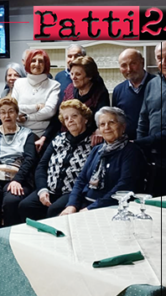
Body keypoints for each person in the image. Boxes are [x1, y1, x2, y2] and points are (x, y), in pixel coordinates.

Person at [61, 107, 146, 214]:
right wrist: (72, 205)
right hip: (86, 203)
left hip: (112, 207)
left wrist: (91, 209)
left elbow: (124, 186)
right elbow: (81, 179)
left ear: (123, 127)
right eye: (102, 124)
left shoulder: (132, 151)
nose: (107, 128)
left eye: (111, 123)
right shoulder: (97, 149)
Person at [18, 100, 93, 220]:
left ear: (85, 119)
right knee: (26, 205)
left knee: (54, 210)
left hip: (73, 193)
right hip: (50, 189)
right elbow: (41, 166)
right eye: (66, 118)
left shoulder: (92, 143)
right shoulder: (58, 139)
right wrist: (42, 190)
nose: (70, 120)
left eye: (74, 116)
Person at [0, 97, 37, 231]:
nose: (7, 115)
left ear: (16, 113)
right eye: (3, 112)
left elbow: (30, 159)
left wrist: (17, 180)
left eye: (10, 111)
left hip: (17, 179)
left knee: (12, 201)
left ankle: (10, 240)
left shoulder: (27, 134)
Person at [41, 56, 109, 149]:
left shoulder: (100, 92)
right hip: (64, 136)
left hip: (87, 140)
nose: (73, 78)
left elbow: (103, 118)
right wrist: (45, 136)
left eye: (78, 74)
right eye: (72, 74)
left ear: (89, 76)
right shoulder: (69, 88)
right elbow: (58, 116)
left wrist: (99, 129)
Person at [136, 41, 166, 198]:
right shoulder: (152, 83)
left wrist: (143, 142)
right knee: (154, 203)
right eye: (160, 58)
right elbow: (143, 119)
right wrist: (141, 147)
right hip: (154, 157)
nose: (164, 62)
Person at [11, 49, 60, 141]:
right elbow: (13, 108)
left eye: (41, 61)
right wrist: (36, 107)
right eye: (33, 60)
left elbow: (49, 111)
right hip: (18, 133)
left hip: (41, 136)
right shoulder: (18, 83)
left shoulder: (54, 85)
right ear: (28, 62)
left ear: (46, 64)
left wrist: (27, 117)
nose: (37, 64)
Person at [113, 49, 156, 140]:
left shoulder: (159, 85)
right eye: (124, 65)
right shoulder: (118, 90)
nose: (129, 69)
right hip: (128, 146)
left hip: (155, 146)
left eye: (133, 63)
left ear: (142, 63)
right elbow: (116, 121)